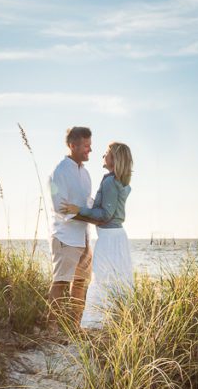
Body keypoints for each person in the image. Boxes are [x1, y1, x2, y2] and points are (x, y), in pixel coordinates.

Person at [60, 142, 133, 331]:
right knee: (118, 280)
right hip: (118, 237)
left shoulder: (109, 181)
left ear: (114, 159)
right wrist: (84, 209)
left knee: (102, 278)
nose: (103, 155)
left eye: (107, 153)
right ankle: (117, 322)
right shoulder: (121, 182)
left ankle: (96, 325)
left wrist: (78, 210)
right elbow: (108, 211)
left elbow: (105, 215)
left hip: (109, 239)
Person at [47, 126, 94, 329]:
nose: (89, 150)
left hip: (84, 238)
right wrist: (86, 212)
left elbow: (87, 203)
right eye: (86, 146)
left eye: (90, 145)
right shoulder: (59, 171)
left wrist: (95, 213)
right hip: (65, 238)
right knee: (61, 282)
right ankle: (51, 328)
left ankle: (74, 326)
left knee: (81, 284)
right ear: (72, 145)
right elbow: (60, 207)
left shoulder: (85, 174)